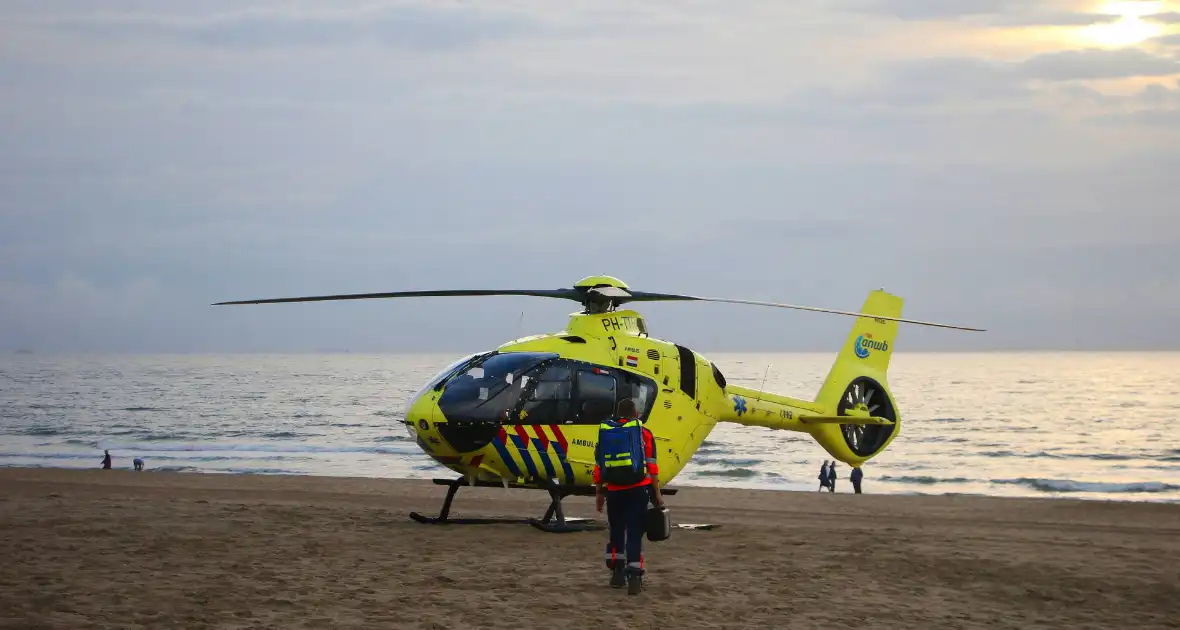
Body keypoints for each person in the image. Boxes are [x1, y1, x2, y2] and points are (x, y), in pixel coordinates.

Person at [594, 397, 662, 596]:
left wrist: (599, 492)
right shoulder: (644, 433)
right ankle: (634, 576)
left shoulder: (606, 434)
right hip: (638, 490)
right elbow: (652, 467)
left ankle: (617, 573)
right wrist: (657, 494)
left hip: (614, 491)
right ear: (636, 415)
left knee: (616, 530)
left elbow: (599, 466)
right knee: (634, 533)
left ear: (617, 413)